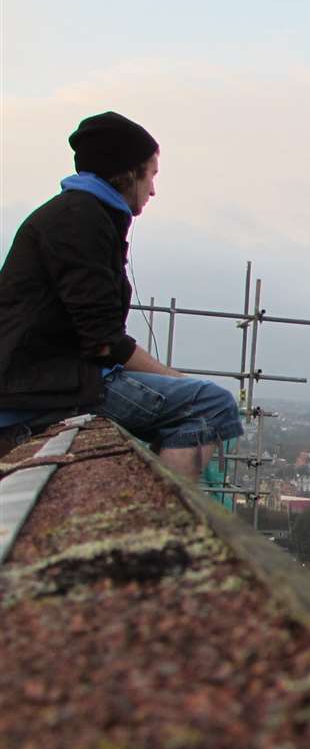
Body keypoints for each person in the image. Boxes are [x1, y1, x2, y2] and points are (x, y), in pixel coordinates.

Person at [0, 112, 243, 477]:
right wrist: (177, 379)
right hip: (47, 392)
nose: (153, 189)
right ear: (129, 173)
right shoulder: (81, 220)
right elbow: (103, 343)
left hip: (43, 382)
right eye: (151, 174)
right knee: (211, 405)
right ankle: (168, 524)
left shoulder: (77, 215)